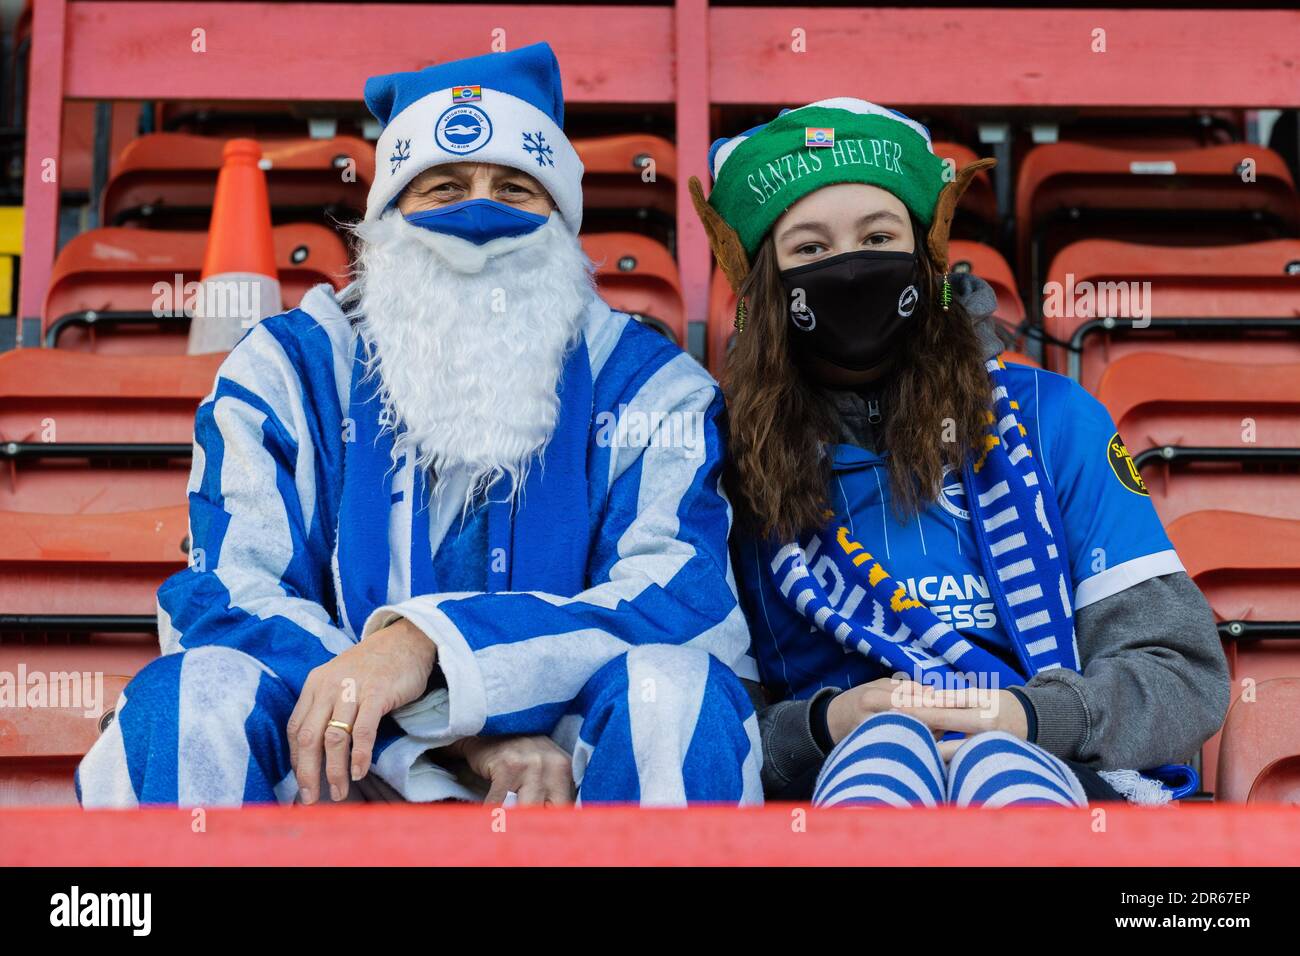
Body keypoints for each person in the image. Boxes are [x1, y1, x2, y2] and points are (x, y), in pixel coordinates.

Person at [77, 43, 761, 809]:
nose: (478, 218)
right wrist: (456, 725)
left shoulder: (649, 383)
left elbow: (680, 600)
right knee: (194, 693)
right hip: (335, 757)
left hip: (563, 766)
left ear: (563, 223)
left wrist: (430, 651)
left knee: (676, 690)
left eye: (514, 188)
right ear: (388, 217)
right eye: (442, 188)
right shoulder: (285, 368)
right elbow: (226, 597)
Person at [690, 98, 1230, 807]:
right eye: (810, 250)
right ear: (765, 288)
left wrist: (1026, 717)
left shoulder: (1054, 421)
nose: (851, 268)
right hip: (825, 794)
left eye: (879, 238)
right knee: (886, 751)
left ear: (926, 261)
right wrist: (829, 723)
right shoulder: (720, 455)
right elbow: (707, 722)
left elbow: (1181, 676)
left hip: (1053, 767)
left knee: (996, 767)